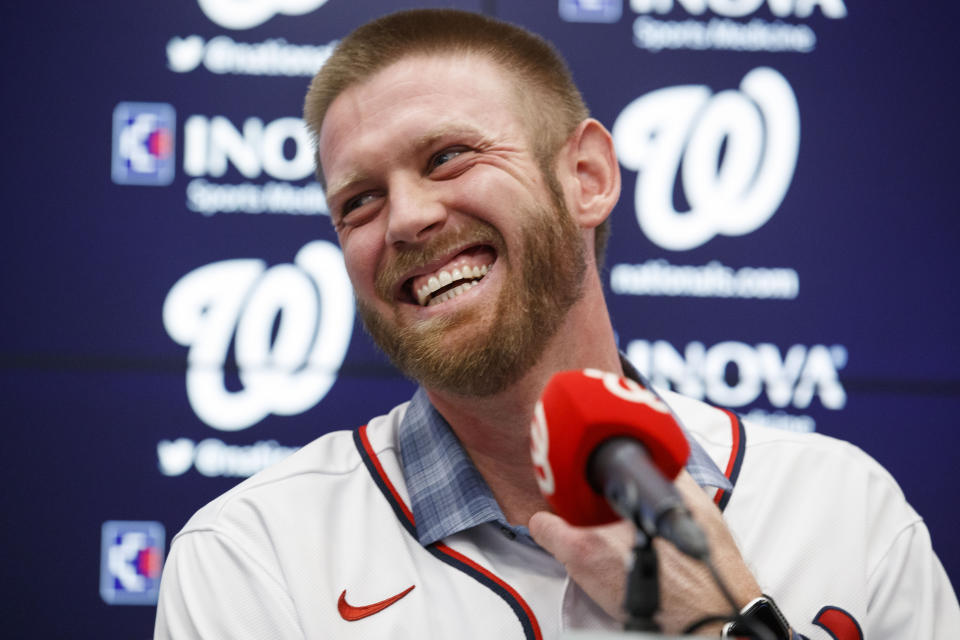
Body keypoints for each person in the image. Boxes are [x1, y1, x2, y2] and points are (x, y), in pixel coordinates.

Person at [154, 9, 959, 639]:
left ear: (588, 178)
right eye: (357, 201)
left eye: (447, 157)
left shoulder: (844, 509)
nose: (403, 218)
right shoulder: (253, 555)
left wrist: (726, 622)